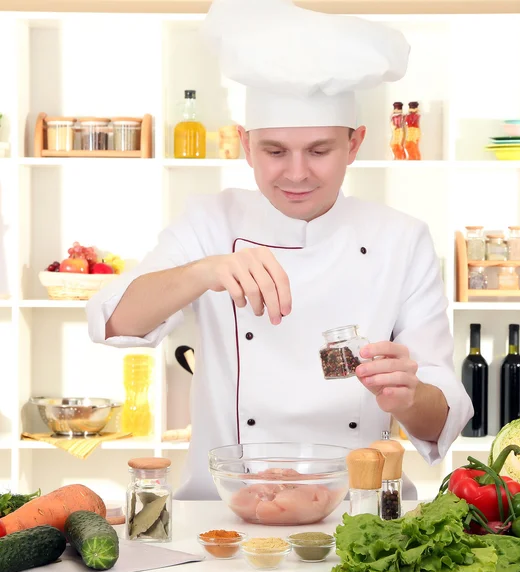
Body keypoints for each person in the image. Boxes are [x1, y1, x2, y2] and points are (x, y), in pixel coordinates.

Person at [86, 0, 473, 501]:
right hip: (222, 510)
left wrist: (408, 394)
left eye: (319, 150)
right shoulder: (210, 221)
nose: (295, 173)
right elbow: (113, 322)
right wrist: (206, 271)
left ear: (354, 144)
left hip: (358, 513)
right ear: (246, 144)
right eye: (274, 151)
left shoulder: (401, 238)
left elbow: (440, 420)